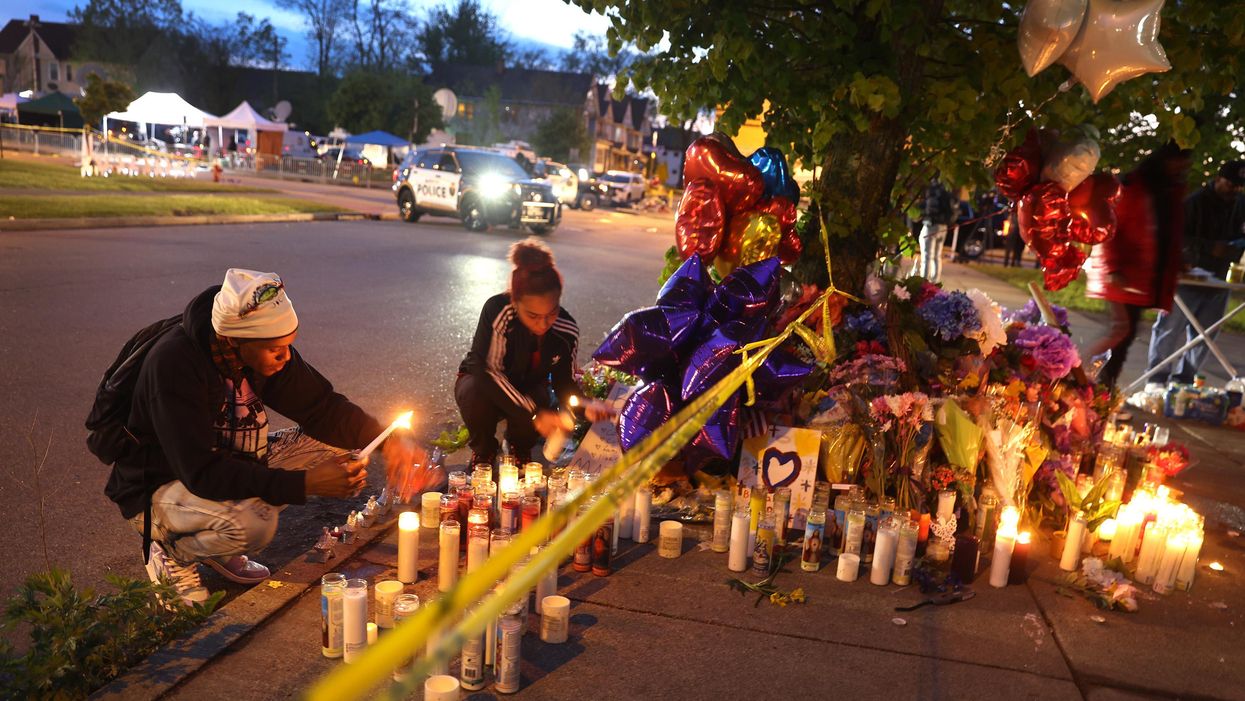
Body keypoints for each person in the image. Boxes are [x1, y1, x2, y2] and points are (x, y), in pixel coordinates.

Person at [102, 269, 438, 604]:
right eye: (276, 349)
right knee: (254, 527)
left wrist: (391, 442)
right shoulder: (175, 366)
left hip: (219, 464)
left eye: (289, 344)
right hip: (160, 486)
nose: (286, 356)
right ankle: (171, 548)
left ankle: (216, 546)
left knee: (344, 442)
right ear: (235, 339)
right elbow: (200, 472)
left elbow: (323, 408)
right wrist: (305, 483)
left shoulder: (257, 349)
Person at [456, 239, 606, 466]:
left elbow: (564, 384)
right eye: (533, 316)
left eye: (552, 312)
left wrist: (586, 406)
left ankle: (519, 448)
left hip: (529, 388)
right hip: (484, 384)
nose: (543, 324)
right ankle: (484, 452)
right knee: (474, 392)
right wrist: (535, 414)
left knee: (541, 398)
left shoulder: (567, 331)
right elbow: (486, 370)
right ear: (515, 302)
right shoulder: (498, 311)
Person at [1086, 144, 1190, 387]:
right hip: (1124, 274)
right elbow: (1112, 227)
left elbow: (1167, 234)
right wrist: (1112, 268)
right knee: (1120, 332)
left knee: (1125, 335)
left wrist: (1178, 262)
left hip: (1141, 277)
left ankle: (1100, 386)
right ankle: (1081, 373)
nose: (1181, 167)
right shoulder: (1135, 187)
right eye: (1178, 161)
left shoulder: (1168, 190)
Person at [1144, 160, 1245, 386]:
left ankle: (1185, 379)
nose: (1235, 190)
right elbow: (1175, 238)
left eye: (1239, 186)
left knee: (1206, 335)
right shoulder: (1193, 203)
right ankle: (1157, 378)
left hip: (1220, 279)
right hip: (1187, 277)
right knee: (1169, 329)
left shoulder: (1240, 204)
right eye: (1231, 184)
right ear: (1218, 179)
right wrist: (1209, 247)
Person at [918, 175, 956, 282]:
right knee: (936, 256)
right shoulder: (947, 190)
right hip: (943, 226)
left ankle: (924, 281)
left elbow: (926, 207)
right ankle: (935, 281)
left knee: (927, 256)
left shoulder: (933, 190)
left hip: (931, 225)